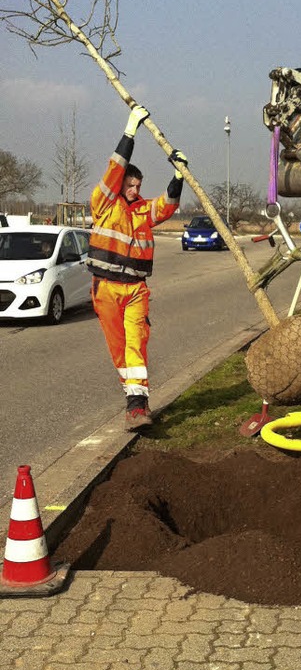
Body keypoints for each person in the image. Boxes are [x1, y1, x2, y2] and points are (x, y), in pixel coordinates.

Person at [88, 104, 187, 428]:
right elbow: (114, 169)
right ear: (120, 186)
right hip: (105, 288)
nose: (135, 191)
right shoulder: (104, 203)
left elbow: (167, 206)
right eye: (130, 186)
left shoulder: (144, 210)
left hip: (135, 291)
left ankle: (137, 407)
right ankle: (133, 400)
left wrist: (177, 176)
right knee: (120, 349)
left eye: (138, 186)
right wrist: (130, 131)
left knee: (136, 344)